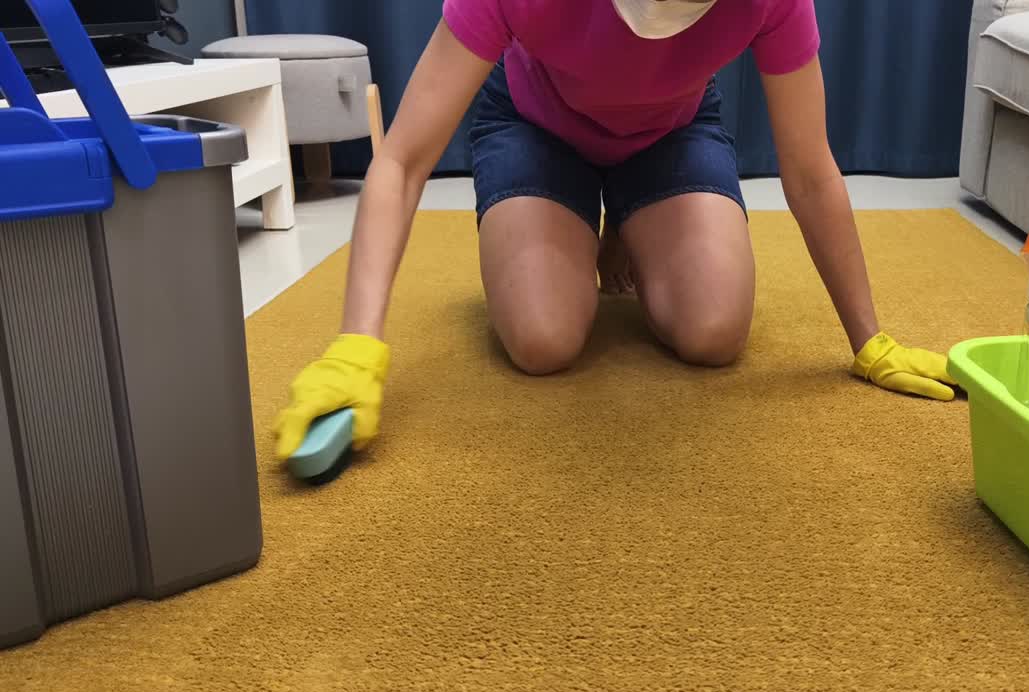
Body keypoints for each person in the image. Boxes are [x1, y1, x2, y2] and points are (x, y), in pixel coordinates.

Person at [273, 0, 959, 461]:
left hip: (671, 131)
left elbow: (810, 171)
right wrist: (356, 347)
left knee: (714, 332)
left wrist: (871, 341)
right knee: (544, 340)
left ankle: (627, 222)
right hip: (535, 128)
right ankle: (586, 219)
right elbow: (401, 160)